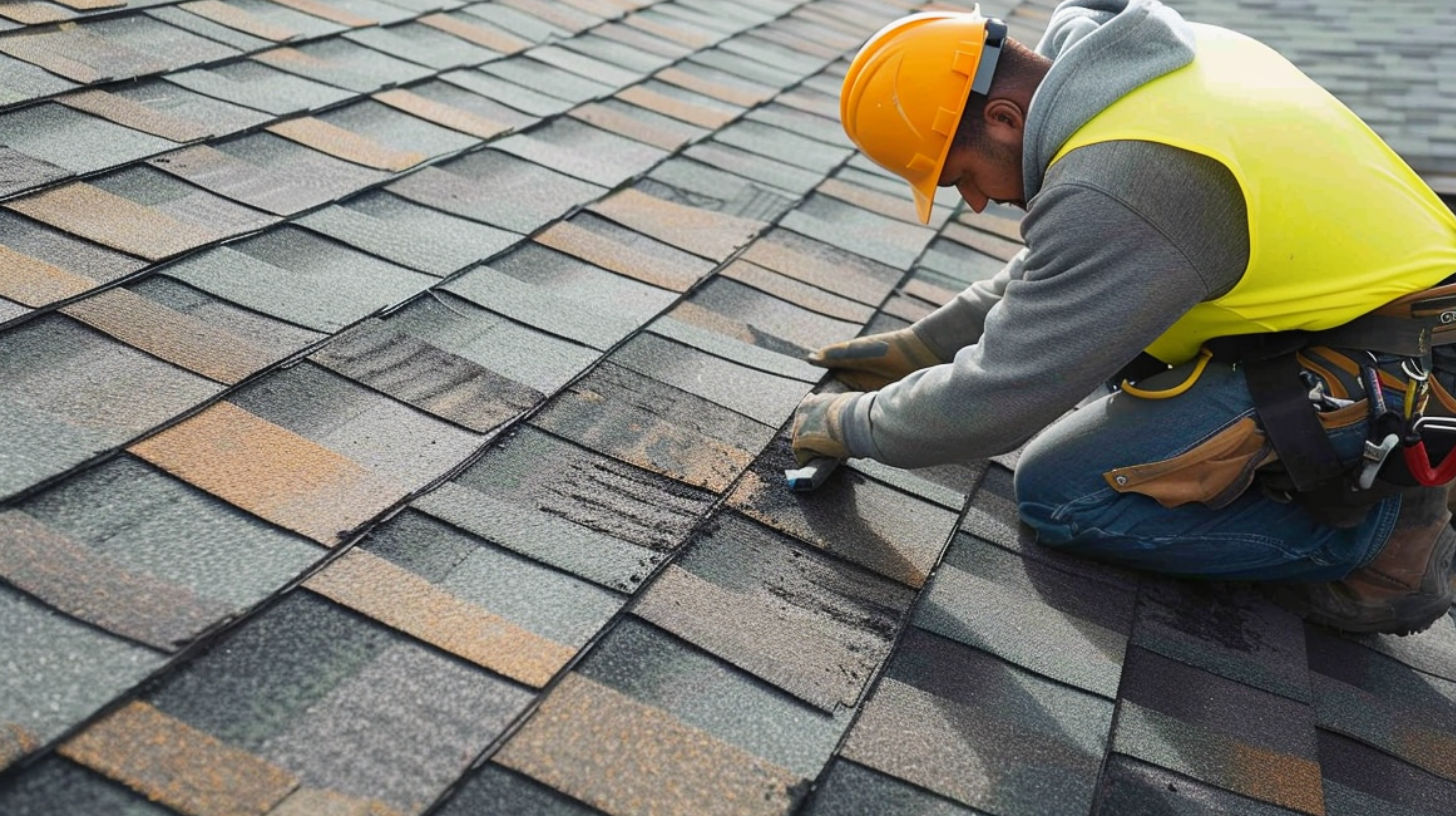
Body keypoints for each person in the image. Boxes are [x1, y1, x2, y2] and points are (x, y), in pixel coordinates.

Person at [790, 0, 1456, 635]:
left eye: (959, 176)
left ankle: (1383, 539)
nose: (972, 202)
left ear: (1001, 119)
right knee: (1121, 384)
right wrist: (921, 346)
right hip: (1390, 325)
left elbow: (999, 399)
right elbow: (1063, 276)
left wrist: (849, 422)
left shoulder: (1121, 179)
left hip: (1404, 367)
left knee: (1062, 494)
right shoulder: (1142, 72)